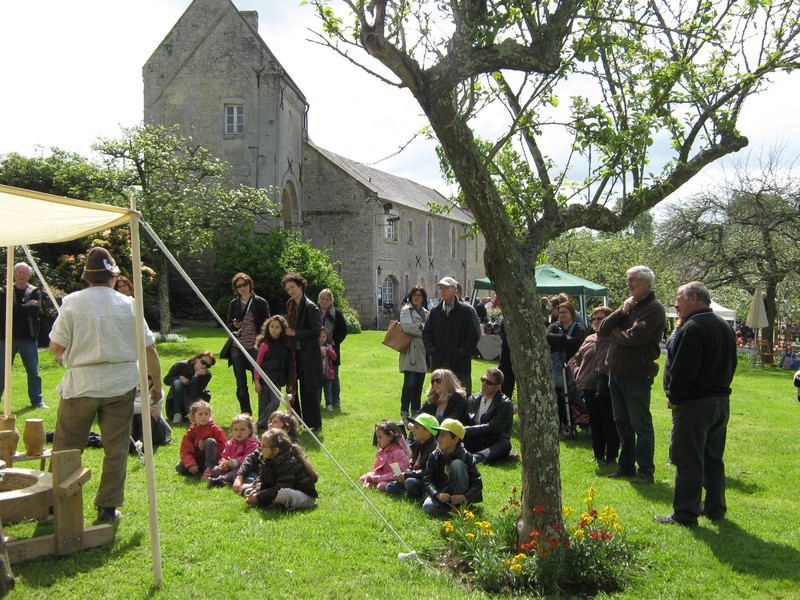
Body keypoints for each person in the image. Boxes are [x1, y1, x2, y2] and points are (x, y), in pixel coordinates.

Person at [49, 246, 162, 522]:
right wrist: (157, 385)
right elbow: (149, 349)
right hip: (119, 384)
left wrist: (66, 354)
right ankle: (108, 507)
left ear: (88, 277)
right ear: (113, 277)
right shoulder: (129, 304)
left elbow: (56, 345)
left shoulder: (72, 302)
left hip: (83, 385)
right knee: (116, 447)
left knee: (67, 448)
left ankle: (55, 507)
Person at [655, 282, 737, 526]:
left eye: (679, 298)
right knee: (713, 458)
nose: (676, 304)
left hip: (696, 404)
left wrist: (675, 398)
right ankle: (715, 509)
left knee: (688, 459)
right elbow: (732, 364)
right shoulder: (723, 326)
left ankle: (685, 514)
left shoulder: (693, 327)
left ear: (693, 297)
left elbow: (684, 370)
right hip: (720, 402)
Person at [597, 265, 666, 485]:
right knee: (621, 422)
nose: (628, 284)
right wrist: (621, 312)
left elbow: (634, 338)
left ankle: (646, 472)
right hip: (616, 374)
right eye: (628, 280)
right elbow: (603, 329)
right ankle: (626, 467)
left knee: (641, 425)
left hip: (636, 376)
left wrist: (616, 333)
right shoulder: (630, 305)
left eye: (632, 280)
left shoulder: (654, 309)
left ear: (646, 283)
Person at [572, 306, 619, 465]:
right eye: (594, 318)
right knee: (595, 421)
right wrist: (578, 372)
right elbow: (576, 358)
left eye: (600, 318)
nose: (596, 321)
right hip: (588, 385)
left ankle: (611, 456)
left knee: (609, 420)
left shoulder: (614, 337)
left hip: (607, 385)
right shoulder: (589, 339)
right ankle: (598, 454)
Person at [422, 276, 481, 396]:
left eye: (446, 288)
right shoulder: (435, 312)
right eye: (440, 288)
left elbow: (474, 335)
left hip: (459, 364)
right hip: (440, 362)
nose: (442, 291)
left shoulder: (467, 311)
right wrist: (432, 350)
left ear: (455, 290)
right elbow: (427, 334)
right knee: (439, 396)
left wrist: (461, 352)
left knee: (461, 397)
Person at [0, 262, 46, 409]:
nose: (21, 275)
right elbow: (3, 311)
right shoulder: (4, 291)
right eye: (18, 272)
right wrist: (25, 307)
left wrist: (14, 309)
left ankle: (37, 401)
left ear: (29, 275)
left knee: (33, 371)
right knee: (2, 371)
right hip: (6, 338)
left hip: (28, 338)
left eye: (24, 272)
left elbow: (35, 310)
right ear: (13, 274)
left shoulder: (35, 291)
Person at [282, 272, 324, 434]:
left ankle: (315, 424)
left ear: (300, 285)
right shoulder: (290, 304)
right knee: (292, 388)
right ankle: (295, 422)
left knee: (309, 390)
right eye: (288, 289)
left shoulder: (311, 307)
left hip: (308, 355)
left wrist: (295, 333)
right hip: (293, 354)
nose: (290, 291)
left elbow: (315, 332)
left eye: (292, 287)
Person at [225, 272, 270, 416]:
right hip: (237, 347)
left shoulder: (260, 302)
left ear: (250, 284)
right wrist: (234, 325)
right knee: (241, 384)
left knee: (260, 381)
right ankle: (246, 414)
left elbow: (267, 324)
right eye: (239, 286)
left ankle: (263, 415)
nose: (242, 288)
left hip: (255, 347)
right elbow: (228, 324)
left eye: (245, 284)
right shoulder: (234, 303)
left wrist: (262, 342)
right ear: (236, 288)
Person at [244, 428, 319, 511]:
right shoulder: (268, 459)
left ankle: (275, 504)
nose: (261, 448)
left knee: (283, 493)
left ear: (276, 450)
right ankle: (272, 502)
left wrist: (259, 497)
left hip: (303, 497)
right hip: (279, 491)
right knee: (249, 491)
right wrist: (256, 490)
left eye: (264, 446)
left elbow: (280, 487)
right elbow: (262, 479)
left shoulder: (289, 463)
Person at [422, 418, 483, 515]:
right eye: (439, 434)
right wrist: (437, 494)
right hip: (442, 494)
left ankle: (461, 505)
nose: (438, 438)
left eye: (443, 435)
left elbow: (477, 483)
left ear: (455, 440)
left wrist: (465, 496)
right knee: (428, 506)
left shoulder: (466, 456)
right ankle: (453, 510)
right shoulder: (434, 455)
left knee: (457, 464)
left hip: (461, 496)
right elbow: (427, 479)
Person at [546, 301, 587, 437]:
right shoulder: (554, 326)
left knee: (574, 393)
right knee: (558, 393)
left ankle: (580, 419)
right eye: (560, 312)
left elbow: (576, 342)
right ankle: (561, 420)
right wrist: (564, 338)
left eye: (565, 312)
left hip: (573, 365)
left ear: (572, 313)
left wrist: (560, 342)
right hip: (556, 366)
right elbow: (547, 338)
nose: (562, 315)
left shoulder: (579, 327)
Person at [463, 368, 514, 464]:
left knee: (505, 444)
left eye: (489, 382)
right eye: (483, 380)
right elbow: (466, 420)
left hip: (493, 441)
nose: (484, 383)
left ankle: (475, 458)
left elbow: (493, 428)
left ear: (498, 387)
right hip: (474, 439)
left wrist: (465, 430)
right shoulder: (473, 399)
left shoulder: (505, 404)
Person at [386, 413, 439, 498]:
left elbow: (427, 471)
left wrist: (407, 475)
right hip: (414, 476)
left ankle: (414, 494)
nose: (413, 430)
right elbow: (414, 463)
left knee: (410, 482)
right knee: (390, 487)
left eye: (417, 427)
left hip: (425, 482)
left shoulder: (434, 449)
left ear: (428, 432)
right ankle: (407, 493)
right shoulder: (418, 444)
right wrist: (405, 472)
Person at [253, 315, 291, 433]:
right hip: (264, 380)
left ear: (282, 329)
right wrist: (257, 381)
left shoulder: (285, 344)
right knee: (263, 405)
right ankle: (263, 427)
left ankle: (258, 423)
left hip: (277, 380)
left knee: (275, 402)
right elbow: (257, 363)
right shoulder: (264, 344)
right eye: (272, 326)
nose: (274, 329)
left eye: (277, 327)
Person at [398, 285, 429, 423]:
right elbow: (407, 327)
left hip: (423, 352)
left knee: (419, 384)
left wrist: (420, 326)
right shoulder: (406, 311)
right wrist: (424, 330)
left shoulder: (427, 313)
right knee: (409, 383)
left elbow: (431, 330)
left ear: (423, 298)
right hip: (410, 352)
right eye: (414, 295)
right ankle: (404, 410)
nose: (416, 297)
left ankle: (416, 410)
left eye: (419, 295)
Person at [175, 400, 227, 481]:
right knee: (179, 467)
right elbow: (185, 450)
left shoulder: (215, 429)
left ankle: (209, 468)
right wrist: (191, 464)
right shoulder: (191, 431)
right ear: (193, 416)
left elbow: (225, 446)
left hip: (214, 459)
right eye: (200, 414)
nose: (204, 416)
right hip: (200, 459)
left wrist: (208, 446)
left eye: (206, 414)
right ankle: (201, 469)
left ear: (210, 415)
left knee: (210, 441)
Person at [208, 413, 261, 488]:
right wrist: (224, 464)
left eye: (242, 429)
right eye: (235, 429)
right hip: (230, 467)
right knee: (215, 470)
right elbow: (224, 455)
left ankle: (221, 480)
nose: (238, 432)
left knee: (236, 472)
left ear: (250, 430)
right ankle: (228, 480)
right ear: (232, 431)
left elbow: (249, 458)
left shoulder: (252, 443)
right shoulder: (230, 443)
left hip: (246, 468)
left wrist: (235, 462)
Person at [164, 351, 215, 424]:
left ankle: (191, 414)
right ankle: (177, 414)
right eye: (203, 362)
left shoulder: (207, 374)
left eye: (208, 366)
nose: (204, 366)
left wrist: (196, 377)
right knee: (178, 383)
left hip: (195, 396)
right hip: (177, 395)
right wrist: (179, 377)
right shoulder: (181, 365)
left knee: (186, 390)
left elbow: (193, 393)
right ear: (197, 359)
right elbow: (166, 380)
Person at [317, 288, 348, 409]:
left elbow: (343, 330)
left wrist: (334, 341)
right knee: (318, 376)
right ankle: (318, 401)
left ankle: (335, 401)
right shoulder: (314, 312)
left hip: (332, 349)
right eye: (322, 298)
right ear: (318, 300)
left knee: (334, 375)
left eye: (327, 299)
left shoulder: (337, 313)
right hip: (316, 349)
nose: (325, 301)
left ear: (331, 301)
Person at [359, 420, 410, 492]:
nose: (377, 440)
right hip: (382, 475)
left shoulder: (396, 453)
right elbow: (377, 468)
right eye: (377, 437)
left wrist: (378, 478)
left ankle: (379, 483)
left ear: (390, 437)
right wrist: (372, 476)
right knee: (363, 478)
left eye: (380, 437)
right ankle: (375, 482)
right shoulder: (382, 450)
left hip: (393, 478)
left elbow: (397, 474)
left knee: (381, 486)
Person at [131, 374, 172, 449]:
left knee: (149, 415)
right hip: (135, 427)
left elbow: (149, 403)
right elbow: (129, 408)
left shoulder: (158, 393)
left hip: (156, 430)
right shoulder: (132, 392)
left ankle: (143, 443)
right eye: (143, 377)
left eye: (149, 378)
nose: (145, 380)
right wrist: (147, 408)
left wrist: (135, 404)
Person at [319, 328, 338, 411]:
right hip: (318, 373)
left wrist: (328, 351)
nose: (322, 338)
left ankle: (329, 404)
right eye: (320, 336)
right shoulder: (315, 346)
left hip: (328, 373)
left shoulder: (329, 346)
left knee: (328, 390)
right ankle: (318, 403)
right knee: (318, 391)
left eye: (324, 336)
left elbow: (334, 357)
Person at [497, 318, 516, 399]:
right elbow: (506, 341)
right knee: (504, 392)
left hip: (519, 363)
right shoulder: (504, 322)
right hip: (507, 362)